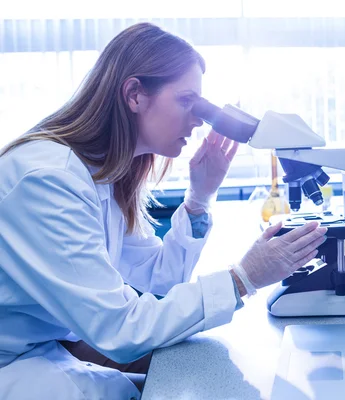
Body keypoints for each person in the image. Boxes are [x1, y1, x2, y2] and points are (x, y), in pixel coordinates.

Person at [0, 22, 327, 399]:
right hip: (13, 364)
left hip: (42, 350)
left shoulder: (100, 175)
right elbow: (121, 329)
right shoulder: (49, 181)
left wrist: (199, 198)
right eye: (188, 101)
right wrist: (244, 278)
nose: (199, 119)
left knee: (194, 381)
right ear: (135, 94)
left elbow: (158, 278)